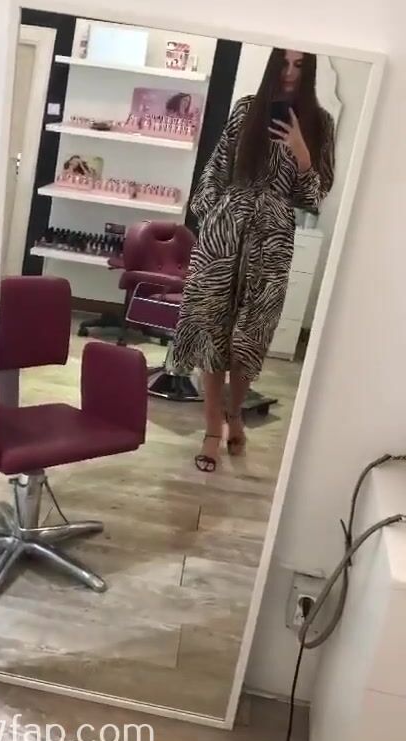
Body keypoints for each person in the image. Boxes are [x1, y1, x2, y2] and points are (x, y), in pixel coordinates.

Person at [173, 49, 335, 472]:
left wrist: (301, 153)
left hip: (273, 236)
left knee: (251, 334)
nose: (289, 72)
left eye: (299, 65)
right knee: (212, 328)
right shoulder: (246, 109)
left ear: (309, 70)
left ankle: (235, 413)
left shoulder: (320, 124)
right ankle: (212, 427)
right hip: (224, 231)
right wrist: (213, 217)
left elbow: (315, 197)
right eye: (283, 62)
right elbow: (215, 170)